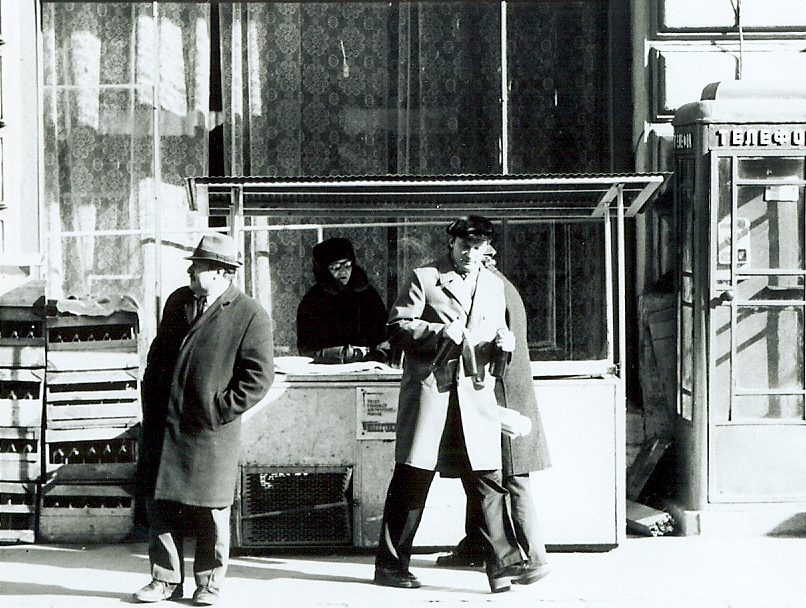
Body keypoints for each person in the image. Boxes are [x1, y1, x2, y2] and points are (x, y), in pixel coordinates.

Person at [373, 215, 526, 594]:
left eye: (478, 248)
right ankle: (391, 566)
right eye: (464, 247)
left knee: (487, 481)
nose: (471, 254)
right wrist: (441, 332)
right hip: (431, 397)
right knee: (413, 480)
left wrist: (503, 347)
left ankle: (502, 566)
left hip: (473, 399)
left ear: (487, 248)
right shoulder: (424, 278)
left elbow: (491, 346)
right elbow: (396, 328)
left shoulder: (493, 286)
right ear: (451, 245)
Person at [133, 233, 275, 606]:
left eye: (199, 266)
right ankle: (164, 579)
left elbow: (258, 379)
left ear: (220, 272)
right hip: (166, 422)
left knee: (211, 509)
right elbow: (159, 351)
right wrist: (152, 393)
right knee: (161, 501)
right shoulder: (179, 301)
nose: (192, 270)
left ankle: (209, 584)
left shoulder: (250, 315)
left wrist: (218, 408)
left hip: (209, 429)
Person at [436, 247, 552, 586]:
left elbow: (494, 345)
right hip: (505, 392)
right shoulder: (501, 287)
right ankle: (475, 546)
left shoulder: (491, 290)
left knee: (508, 479)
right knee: (483, 475)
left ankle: (534, 558)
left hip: (500, 394)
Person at [296, 237, 390, 364]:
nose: (343, 271)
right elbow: (306, 350)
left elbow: (384, 336)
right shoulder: (313, 301)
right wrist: (346, 354)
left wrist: (380, 351)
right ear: (323, 269)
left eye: (347, 265)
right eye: (335, 267)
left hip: (368, 368)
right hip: (328, 371)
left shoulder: (367, 295)